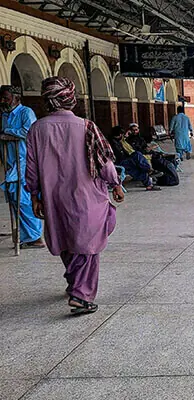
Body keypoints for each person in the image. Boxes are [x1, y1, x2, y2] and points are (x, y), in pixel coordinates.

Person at [25, 77, 125, 314]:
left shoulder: (36, 129)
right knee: (88, 244)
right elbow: (104, 162)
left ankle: (74, 283)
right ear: (70, 99)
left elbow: (30, 167)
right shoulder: (86, 126)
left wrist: (34, 195)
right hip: (85, 196)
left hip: (53, 197)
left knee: (67, 241)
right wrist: (116, 184)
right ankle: (81, 295)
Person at [0, 85, 45, 248]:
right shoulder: (4, 114)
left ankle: (35, 236)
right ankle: (26, 236)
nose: (3, 101)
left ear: (16, 97)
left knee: (23, 199)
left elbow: (29, 132)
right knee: (14, 198)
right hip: (12, 163)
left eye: (6, 98)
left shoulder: (26, 112)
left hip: (25, 162)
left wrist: (8, 131)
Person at [109, 126, 161, 191]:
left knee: (137, 154)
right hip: (119, 162)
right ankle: (148, 177)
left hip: (124, 159)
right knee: (136, 167)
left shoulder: (117, 140)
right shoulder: (112, 143)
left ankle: (148, 170)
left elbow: (124, 146)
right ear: (119, 134)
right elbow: (119, 155)